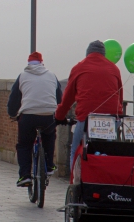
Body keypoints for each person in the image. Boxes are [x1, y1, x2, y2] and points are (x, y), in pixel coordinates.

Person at [55, 40, 123, 169]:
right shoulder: (114, 68)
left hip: (86, 117)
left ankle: (76, 181)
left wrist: (59, 116)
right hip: (111, 117)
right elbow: (120, 96)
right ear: (103, 54)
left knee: (76, 152)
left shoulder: (79, 67)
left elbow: (68, 98)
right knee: (108, 151)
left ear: (88, 53)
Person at [7, 51, 63, 187]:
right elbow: (60, 97)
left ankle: (25, 175)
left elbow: (14, 98)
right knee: (50, 136)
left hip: (28, 116)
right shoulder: (52, 76)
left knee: (24, 145)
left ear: (28, 63)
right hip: (48, 115)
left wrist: (12, 113)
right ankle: (49, 165)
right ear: (42, 63)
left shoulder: (22, 76)